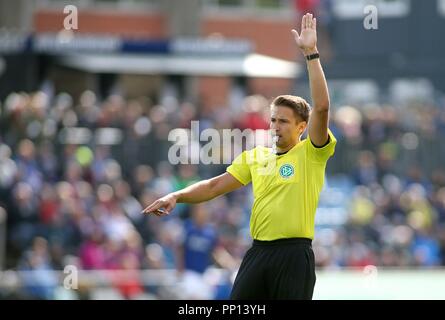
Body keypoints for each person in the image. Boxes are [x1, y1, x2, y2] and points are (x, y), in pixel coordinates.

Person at [142, 13, 336, 300]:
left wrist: (311, 54)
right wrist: (177, 196)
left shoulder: (311, 153)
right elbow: (213, 186)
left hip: (295, 255)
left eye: (284, 121)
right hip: (258, 252)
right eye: (273, 120)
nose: (276, 126)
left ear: (301, 127)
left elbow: (321, 107)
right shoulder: (256, 157)